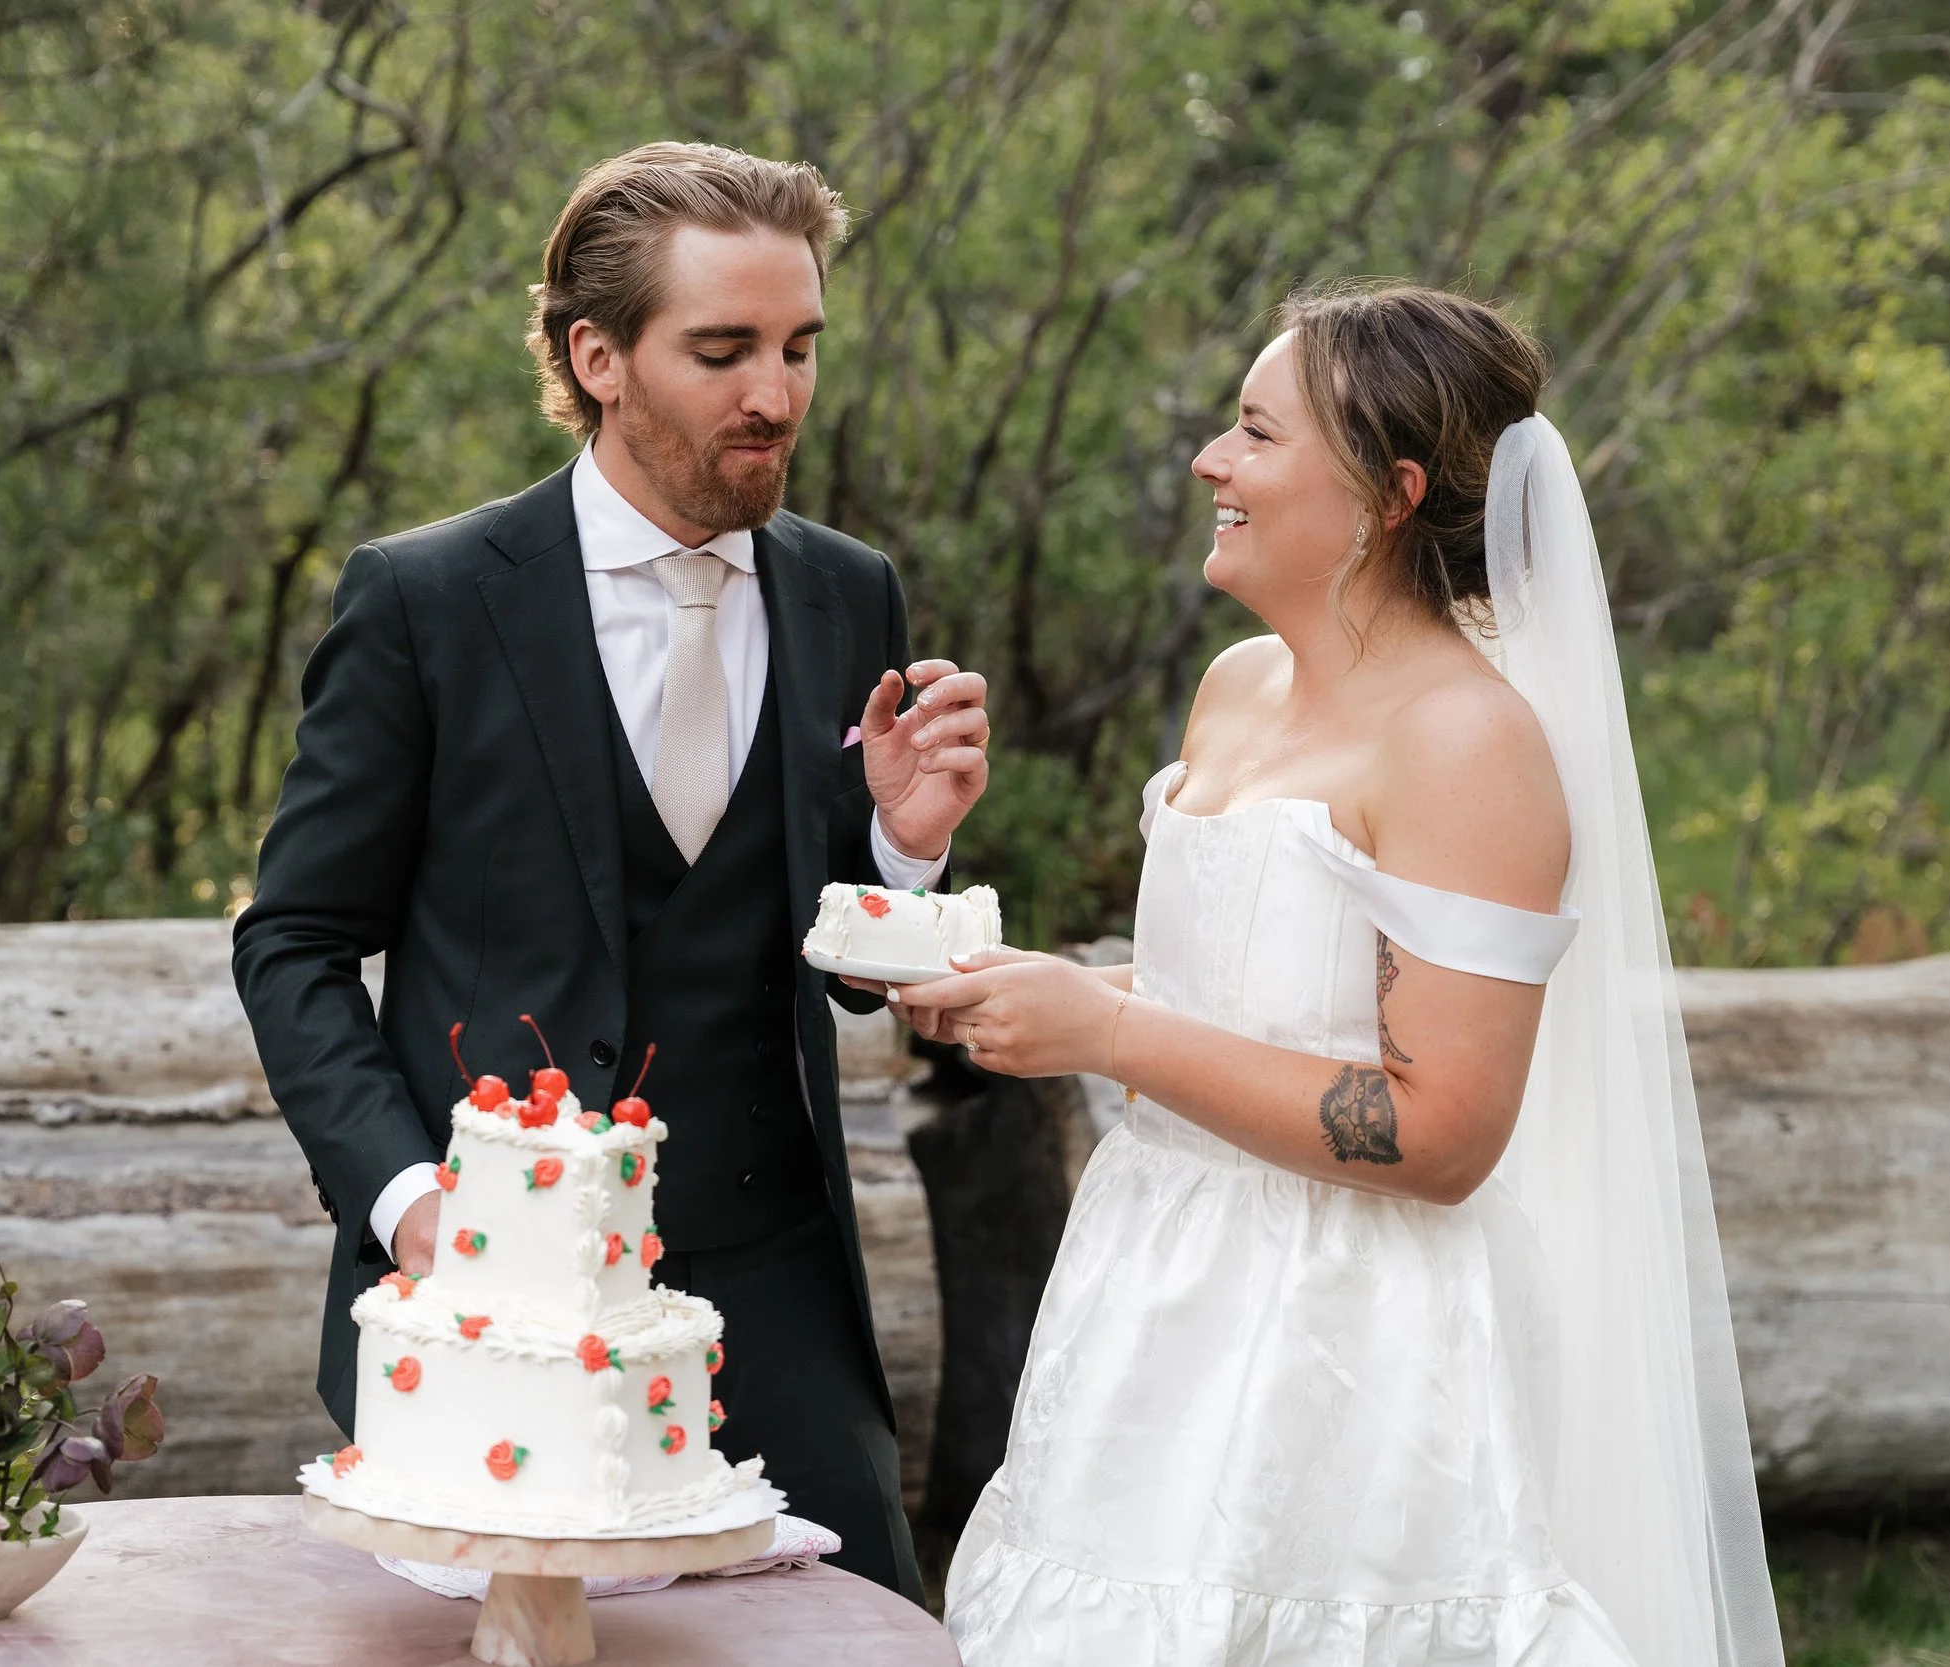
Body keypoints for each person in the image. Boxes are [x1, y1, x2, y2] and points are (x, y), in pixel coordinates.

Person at [902, 285, 1783, 1663]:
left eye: (1255, 433)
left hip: (1341, 1343)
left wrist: (1107, 1033)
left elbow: (1441, 1130)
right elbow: (1254, 983)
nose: (1211, 460)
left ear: (1388, 492)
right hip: (1154, 1289)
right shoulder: (1239, 685)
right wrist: (1037, 986)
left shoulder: (1467, 743)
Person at [232, 142, 991, 1603]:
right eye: (723, 351)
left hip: (776, 1285)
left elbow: (846, 967)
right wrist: (412, 1207)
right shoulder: (429, 601)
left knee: (869, 1638)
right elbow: (296, 944)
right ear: (599, 357)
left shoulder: (851, 590)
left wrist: (905, 841)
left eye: (797, 346)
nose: (775, 394)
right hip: (492, 1304)